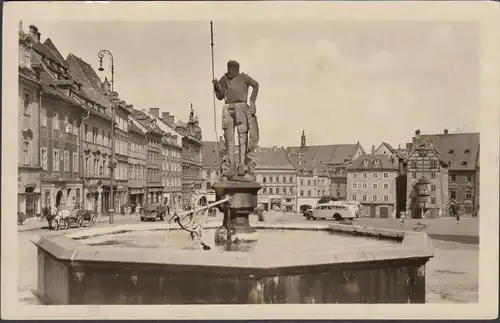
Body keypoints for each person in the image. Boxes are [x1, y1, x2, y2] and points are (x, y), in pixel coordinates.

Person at [213, 60, 259, 180]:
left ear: (237, 70)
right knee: (229, 139)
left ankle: (242, 166)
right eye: (228, 69)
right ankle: (231, 166)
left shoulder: (243, 77)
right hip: (227, 107)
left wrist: (252, 102)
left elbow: (256, 85)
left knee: (242, 138)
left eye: (232, 69)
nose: (229, 72)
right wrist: (217, 87)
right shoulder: (224, 78)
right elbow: (220, 96)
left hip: (241, 107)